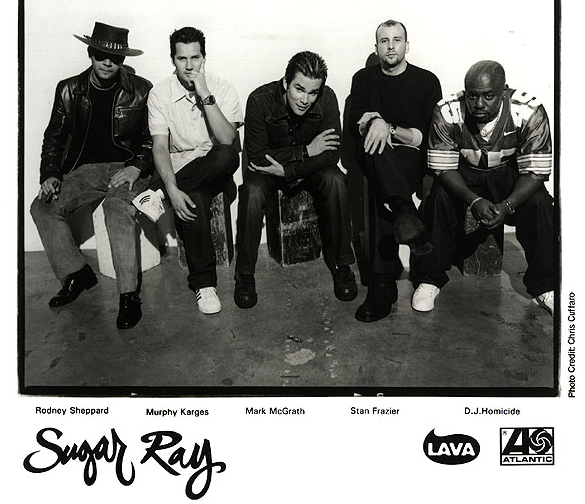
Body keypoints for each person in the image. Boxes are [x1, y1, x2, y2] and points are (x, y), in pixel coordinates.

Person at [30, 21, 153, 329]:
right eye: (101, 55)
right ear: (90, 54)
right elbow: (54, 137)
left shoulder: (141, 90)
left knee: (116, 208)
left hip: (128, 167)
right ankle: (77, 274)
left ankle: (128, 296)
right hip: (85, 171)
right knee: (42, 206)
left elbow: (153, 138)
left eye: (115, 57)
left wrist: (137, 166)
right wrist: (50, 173)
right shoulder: (68, 89)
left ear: (123, 59)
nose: (108, 62)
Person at [411, 60, 555, 315]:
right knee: (438, 196)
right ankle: (430, 278)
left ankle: (544, 285)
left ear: (504, 92)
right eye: (472, 96)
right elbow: (443, 169)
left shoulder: (529, 111)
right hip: (463, 175)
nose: (478, 104)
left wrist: (507, 206)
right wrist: (474, 200)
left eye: (489, 96)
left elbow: (535, 173)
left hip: (507, 176)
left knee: (541, 202)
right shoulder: (448, 111)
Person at [233, 51, 357, 309]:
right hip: (269, 171)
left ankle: (343, 265)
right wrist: (306, 150)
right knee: (251, 191)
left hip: (303, 170)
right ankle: (244, 274)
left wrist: (289, 171)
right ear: (285, 82)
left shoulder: (327, 98)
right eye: (299, 89)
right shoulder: (259, 99)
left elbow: (331, 154)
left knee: (336, 180)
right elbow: (257, 156)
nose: (305, 100)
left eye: (312, 93)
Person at [133, 26, 241, 315]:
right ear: (173, 60)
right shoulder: (160, 93)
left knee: (227, 155)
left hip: (215, 167)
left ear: (204, 57)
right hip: (181, 170)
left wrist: (204, 93)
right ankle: (204, 285)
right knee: (193, 197)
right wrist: (173, 188)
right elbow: (159, 146)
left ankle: (155, 193)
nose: (189, 66)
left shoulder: (223, 88)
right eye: (182, 59)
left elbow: (227, 139)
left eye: (195, 58)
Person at [349, 20, 442, 322]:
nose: (391, 46)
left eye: (397, 40)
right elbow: (354, 124)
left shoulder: (426, 81)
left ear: (407, 45)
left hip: (410, 161)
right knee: (375, 151)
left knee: (384, 188)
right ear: (376, 48)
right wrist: (373, 124)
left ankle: (383, 285)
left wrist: (387, 127)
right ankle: (405, 212)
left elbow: (427, 137)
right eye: (384, 41)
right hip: (373, 154)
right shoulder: (363, 78)